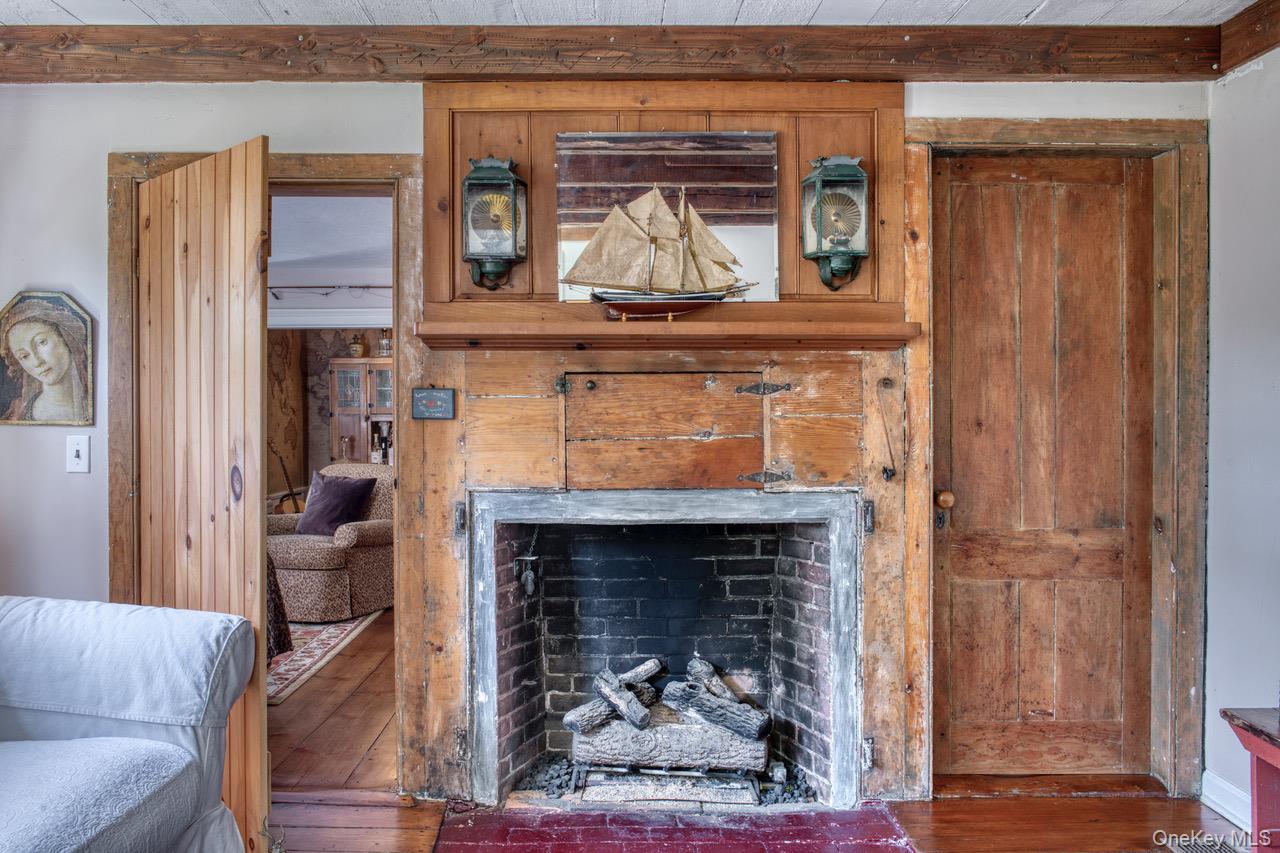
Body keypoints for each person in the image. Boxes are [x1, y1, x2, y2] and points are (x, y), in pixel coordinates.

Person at [0, 295, 91, 424]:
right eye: (24, 356)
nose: (37, 362)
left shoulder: (101, 401)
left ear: (64, 336)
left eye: (41, 342)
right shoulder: (17, 414)